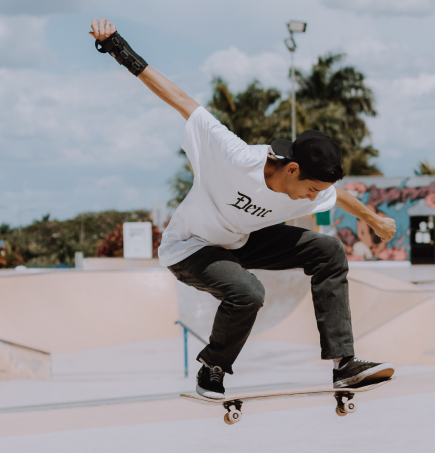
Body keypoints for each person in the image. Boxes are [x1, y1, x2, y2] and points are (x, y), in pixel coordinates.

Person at [89, 18, 397, 399]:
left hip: (240, 240)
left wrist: (374, 219)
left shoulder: (307, 187)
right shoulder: (234, 155)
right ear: (292, 168)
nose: (312, 198)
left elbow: (340, 195)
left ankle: (343, 365)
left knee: (330, 250)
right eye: (311, 189)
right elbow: (178, 98)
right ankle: (212, 369)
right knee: (249, 292)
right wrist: (116, 46)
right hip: (190, 247)